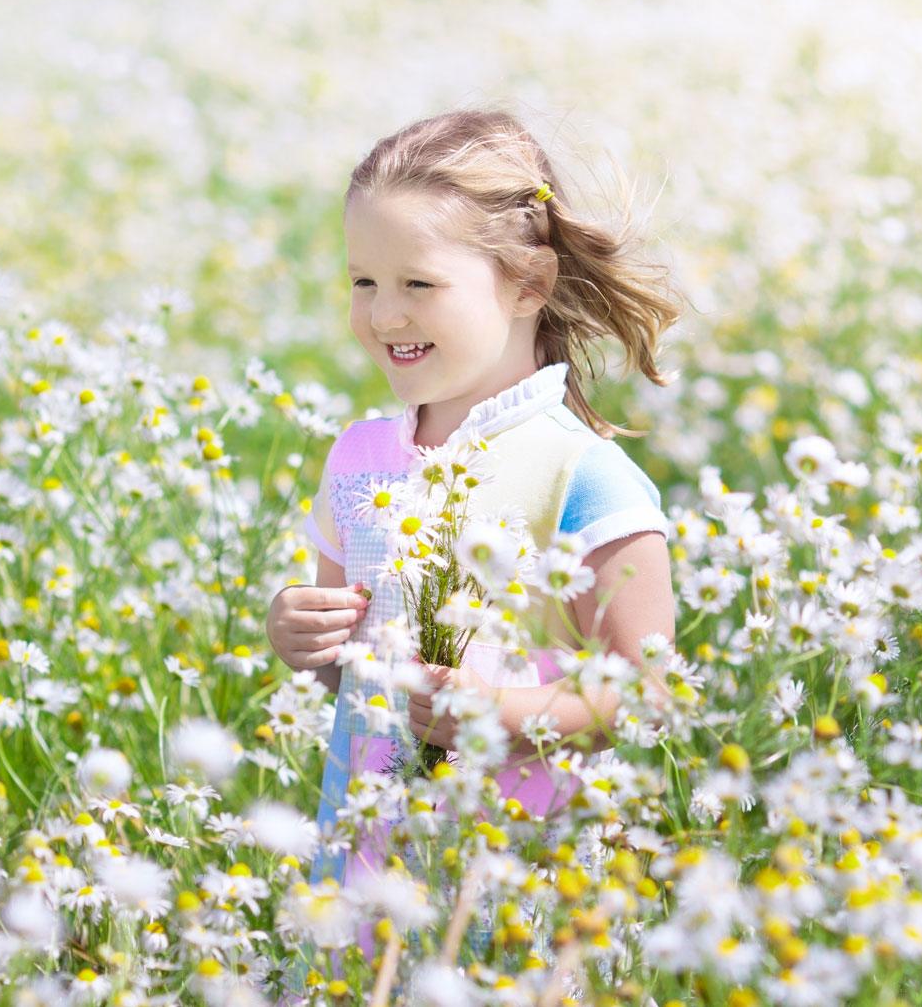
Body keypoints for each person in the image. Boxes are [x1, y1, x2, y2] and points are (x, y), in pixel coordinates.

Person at [263, 108, 682, 949]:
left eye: (418, 285)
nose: (384, 316)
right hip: (368, 857)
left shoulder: (585, 475)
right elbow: (346, 670)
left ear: (528, 285)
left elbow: (649, 694)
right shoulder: (359, 461)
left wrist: (499, 710)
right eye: (362, 283)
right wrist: (300, 635)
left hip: (519, 869)